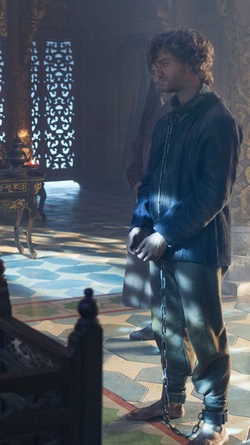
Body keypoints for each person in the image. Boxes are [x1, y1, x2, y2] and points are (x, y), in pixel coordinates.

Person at [125, 29, 242, 445]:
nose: (156, 72)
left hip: (198, 247)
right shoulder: (167, 119)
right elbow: (150, 182)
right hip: (160, 243)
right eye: (155, 64)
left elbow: (212, 195)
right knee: (166, 326)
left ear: (194, 65)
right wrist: (140, 223)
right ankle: (172, 399)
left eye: (165, 63)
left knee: (203, 333)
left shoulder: (217, 120)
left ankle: (215, 419)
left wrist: (165, 233)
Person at [122, 74, 172, 341]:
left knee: (168, 272)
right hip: (147, 199)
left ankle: (170, 327)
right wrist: (138, 188)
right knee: (151, 270)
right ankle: (157, 323)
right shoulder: (152, 112)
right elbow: (135, 157)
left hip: (169, 203)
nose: (158, 77)